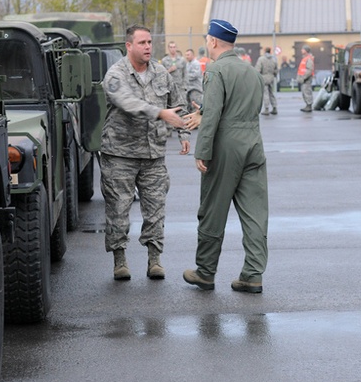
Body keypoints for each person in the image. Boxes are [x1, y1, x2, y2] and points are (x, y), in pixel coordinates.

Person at [182, 19, 269, 293]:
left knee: (212, 210)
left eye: (207, 38)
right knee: (255, 213)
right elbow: (248, 106)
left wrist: (202, 151)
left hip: (226, 145)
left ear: (213, 41)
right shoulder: (251, 71)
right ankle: (253, 275)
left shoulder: (216, 70)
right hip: (254, 143)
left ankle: (205, 273)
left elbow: (215, 116)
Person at [100, 25, 189, 281]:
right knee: (118, 209)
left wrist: (183, 133)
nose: (148, 46)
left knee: (156, 209)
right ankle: (119, 260)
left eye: (150, 42)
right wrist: (160, 113)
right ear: (129, 46)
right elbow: (127, 103)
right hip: (120, 155)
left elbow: (177, 103)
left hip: (153, 155)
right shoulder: (116, 74)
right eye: (142, 43)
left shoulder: (161, 73)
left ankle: (154, 260)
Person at [254, 46, 279, 115]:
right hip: (271, 77)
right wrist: (274, 75)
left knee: (265, 94)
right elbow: (276, 70)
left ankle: (266, 108)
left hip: (263, 77)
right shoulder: (274, 59)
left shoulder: (261, 59)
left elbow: (257, 69)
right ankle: (274, 107)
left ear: (265, 51)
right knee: (271, 93)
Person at [297, 45, 315, 112]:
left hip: (306, 78)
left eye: (303, 49)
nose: (301, 50)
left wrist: (304, 77)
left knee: (307, 91)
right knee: (304, 92)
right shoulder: (305, 58)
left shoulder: (308, 59)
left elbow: (310, 70)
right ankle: (307, 105)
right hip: (304, 78)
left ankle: (309, 105)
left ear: (306, 51)